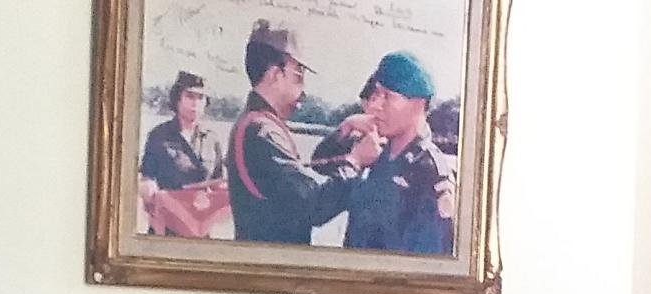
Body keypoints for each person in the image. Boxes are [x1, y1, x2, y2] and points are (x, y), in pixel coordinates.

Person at [227, 20, 382, 245]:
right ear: (275, 74)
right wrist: (356, 161)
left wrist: (343, 131)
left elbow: (317, 165)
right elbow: (315, 206)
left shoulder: (257, 124)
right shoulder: (262, 132)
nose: (304, 92)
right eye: (298, 76)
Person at [344, 53, 456, 255]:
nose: (375, 105)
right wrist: (345, 127)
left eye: (387, 96)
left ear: (418, 103)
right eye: (376, 95)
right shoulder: (376, 152)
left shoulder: (429, 173)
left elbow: (426, 261)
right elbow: (321, 163)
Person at [139, 71, 224, 198]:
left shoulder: (212, 139)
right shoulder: (159, 136)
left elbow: (219, 182)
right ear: (177, 99)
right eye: (190, 96)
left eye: (201, 97)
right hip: (170, 207)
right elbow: (147, 178)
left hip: (205, 208)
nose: (195, 103)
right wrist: (149, 190)